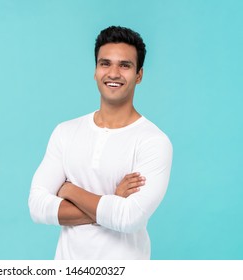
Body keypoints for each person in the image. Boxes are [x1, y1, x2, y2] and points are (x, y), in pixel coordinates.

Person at [28, 26, 173, 260]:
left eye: (124, 65)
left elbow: (130, 218)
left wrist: (70, 190)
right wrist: (113, 200)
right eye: (105, 63)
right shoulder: (66, 132)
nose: (113, 73)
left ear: (139, 75)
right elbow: (37, 207)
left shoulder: (153, 141)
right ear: (95, 71)